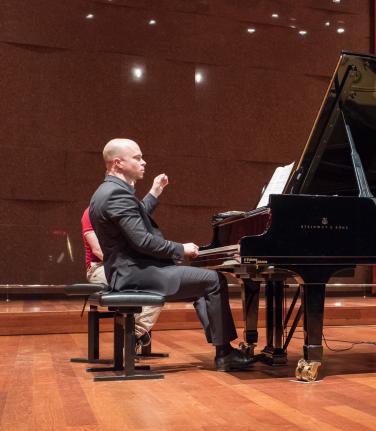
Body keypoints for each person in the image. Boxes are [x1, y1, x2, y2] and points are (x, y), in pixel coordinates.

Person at [88, 138, 253, 371]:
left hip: (128, 270)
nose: (143, 162)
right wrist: (180, 248)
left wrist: (154, 193)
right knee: (214, 281)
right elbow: (142, 240)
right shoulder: (116, 194)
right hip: (135, 273)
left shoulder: (107, 191)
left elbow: (135, 219)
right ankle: (224, 353)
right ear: (117, 163)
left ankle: (222, 348)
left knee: (200, 286)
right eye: (137, 158)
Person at [82, 201, 162, 348]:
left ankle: (135, 335)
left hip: (123, 266)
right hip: (99, 267)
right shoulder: (90, 213)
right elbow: (98, 251)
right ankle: (136, 337)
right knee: (141, 283)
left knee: (158, 284)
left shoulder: (121, 214)